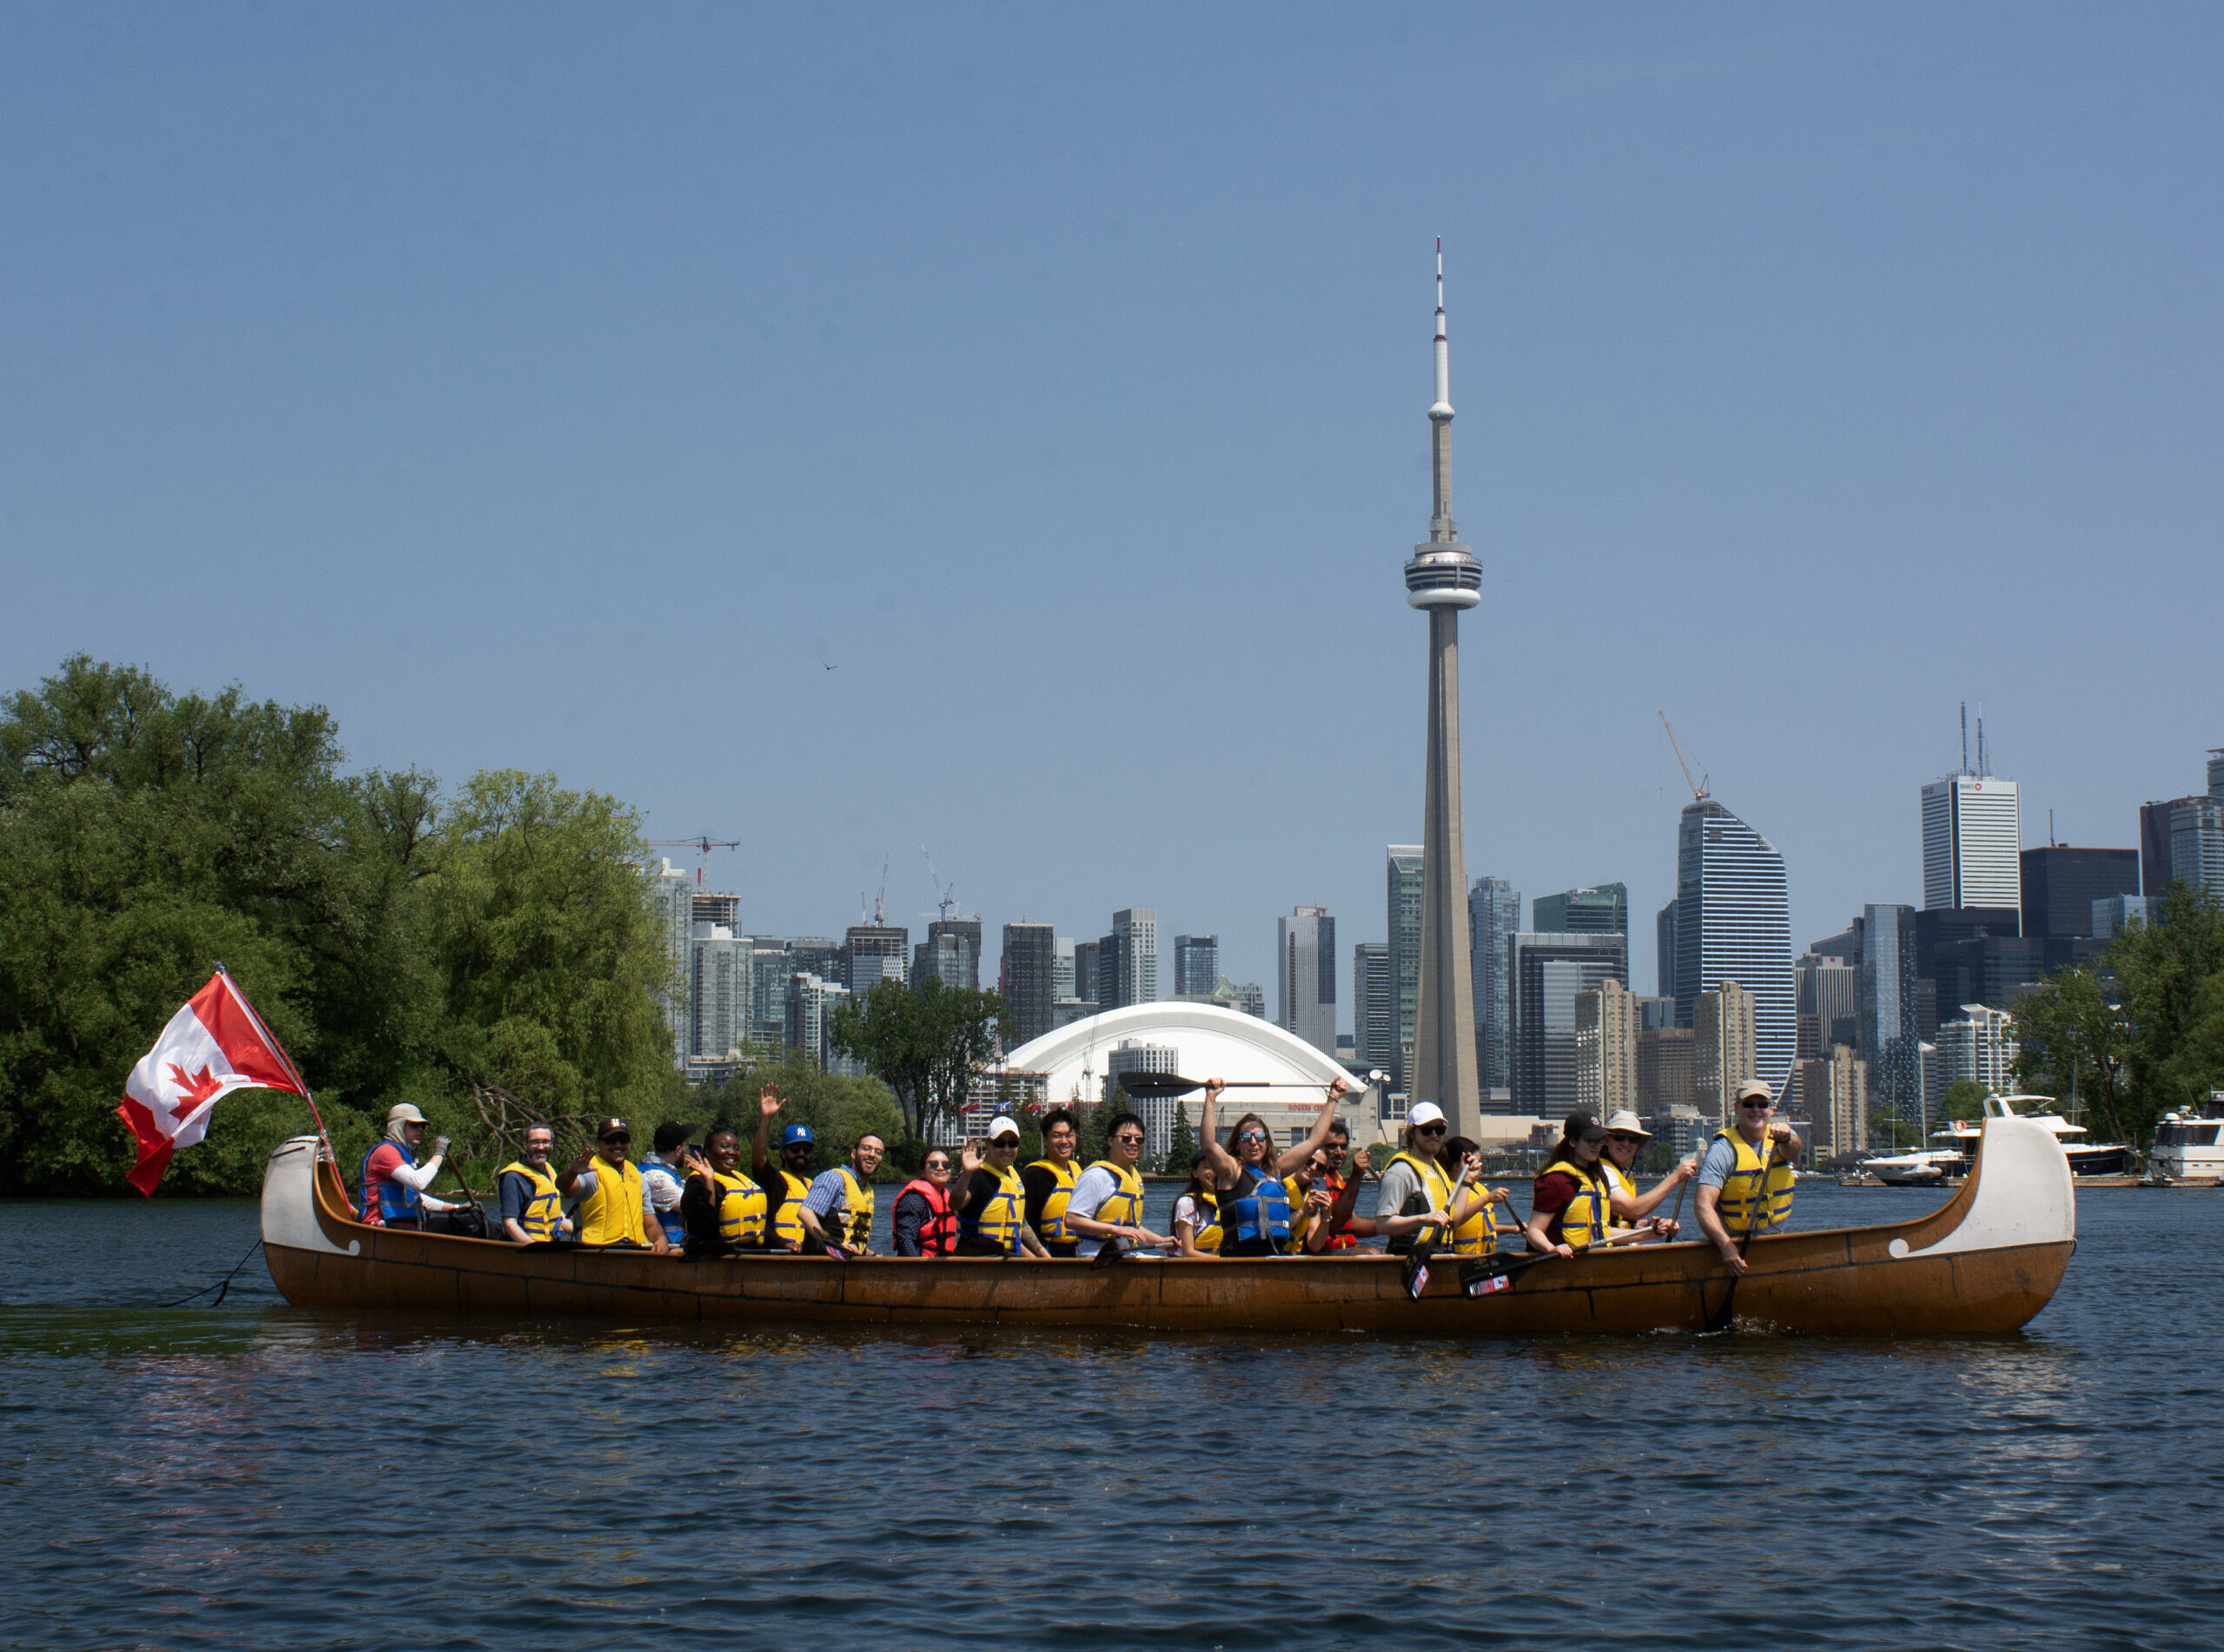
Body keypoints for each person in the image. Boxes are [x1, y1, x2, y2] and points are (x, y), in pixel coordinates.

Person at [1197, 1074, 1349, 1256]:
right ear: (1237, 1145)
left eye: (1259, 1137)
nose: (1253, 1142)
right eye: (1246, 1138)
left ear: (1267, 1142)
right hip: (1240, 1260)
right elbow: (1208, 1146)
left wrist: (1333, 1098)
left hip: (1274, 1257)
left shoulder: (1275, 1170)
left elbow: (1314, 1141)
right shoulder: (1231, 1171)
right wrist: (1211, 1098)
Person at [1524, 1113, 1673, 1258]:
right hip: (1564, 1264)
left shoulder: (1597, 1179)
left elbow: (1603, 1232)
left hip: (1597, 1260)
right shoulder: (1556, 1181)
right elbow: (1534, 1230)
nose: (1596, 1146)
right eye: (1590, 1140)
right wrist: (1551, 1248)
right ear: (1573, 1141)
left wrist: (1649, 1233)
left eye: (1600, 1141)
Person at [1696, 1079, 1803, 1276]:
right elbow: (1703, 1205)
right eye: (1749, 1104)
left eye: (1762, 1104)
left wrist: (1787, 1137)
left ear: (1771, 1109)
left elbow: (1793, 1149)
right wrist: (1725, 1245)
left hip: (1774, 1242)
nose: (1756, 1110)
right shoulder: (1722, 1150)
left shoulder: (1782, 1136)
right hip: (1735, 1246)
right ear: (1737, 1108)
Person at [1062, 1110, 1170, 1259]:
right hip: (1095, 1255)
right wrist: (1116, 1230)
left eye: (1138, 1140)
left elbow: (1130, 1229)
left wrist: (1161, 1241)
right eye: (1126, 1138)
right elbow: (1072, 1220)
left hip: (1123, 1254)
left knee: (1167, 1261)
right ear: (1111, 1141)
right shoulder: (1096, 1176)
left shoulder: (1132, 1177)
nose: (1133, 1143)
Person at [559, 1118, 669, 1252]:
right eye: (611, 1140)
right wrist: (571, 1172)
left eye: (623, 1140)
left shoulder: (637, 1177)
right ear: (599, 1144)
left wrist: (660, 1238)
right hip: (596, 1252)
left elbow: (651, 1224)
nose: (618, 1145)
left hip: (633, 1251)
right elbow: (566, 1188)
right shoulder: (590, 1172)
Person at [950, 1116, 1051, 1257]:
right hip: (978, 1259)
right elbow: (955, 1204)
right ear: (988, 1145)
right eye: (1000, 1143)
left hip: (1005, 1256)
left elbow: (1021, 1226)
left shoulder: (1012, 1176)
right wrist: (967, 1173)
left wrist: (1045, 1259)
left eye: (1013, 1143)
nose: (1007, 1149)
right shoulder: (977, 1175)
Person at [358, 1103, 467, 1231]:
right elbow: (419, 1182)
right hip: (383, 1228)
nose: (420, 1129)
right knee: (465, 1228)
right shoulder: (385, 1152)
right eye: (414, 1125)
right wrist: (439, 1153)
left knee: (469, 1223)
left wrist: (456, 1208)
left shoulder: (403, 1156)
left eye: (422, 1126)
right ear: (398, 1126)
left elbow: (415, 1197)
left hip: (408, 1227)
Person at [1369, 1101, 1457, 1254]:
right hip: (1408, 1259)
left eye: (1439, 1130)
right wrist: (1424, 1219)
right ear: (1411, 1133)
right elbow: (1382, 1225)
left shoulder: (1438, 1170)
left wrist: (1467, 1182)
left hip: (1439, 1255)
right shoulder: (1400, 1172)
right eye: (1426, 1130)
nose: (1434, 1135)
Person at [1600, 1110, 1693, 1239]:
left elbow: (1622, 1221)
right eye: (1619, 1136)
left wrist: (1650, 1225)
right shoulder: (1603, 1171)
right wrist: (1675, 1177)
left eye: (1633, 1139)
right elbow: (1633, 1211)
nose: (1626, 1143)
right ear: (1606, 1139)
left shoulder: (1625, 1174)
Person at [676, 1122, 767, 1253]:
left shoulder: (742, 1180)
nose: (732, 1152)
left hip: (744, 1255)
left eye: (736, 1148)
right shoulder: (697, 1182)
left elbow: (758, 1222)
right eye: (725, 1147)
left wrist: (783, 1242)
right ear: (707, 1151)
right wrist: (708, 1181)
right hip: (709, 1257)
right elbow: (703, 1224)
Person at [751, 1086, 817, 1252]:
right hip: (780, 1255)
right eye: (795, 1149)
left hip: (807, 1258)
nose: (801, 1154)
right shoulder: (776, 1181)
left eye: (806, 1150)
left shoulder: (813, 1185)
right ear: (783, 1154)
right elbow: (758, 1160)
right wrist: (766, 1119)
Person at [798, 1132, 886, 1257]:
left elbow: (854, 1243)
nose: (872, 1155)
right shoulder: (834, 1179)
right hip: (821, 1264)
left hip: (848, 1267)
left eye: (878, 1152)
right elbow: (805, 1212)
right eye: (866, 1149)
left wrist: (873, 1256)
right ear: (853, 1154)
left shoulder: (867, 1191)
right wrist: (830, 1242)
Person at [1021, 1107, 1082, 1257]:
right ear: (1045, 1140)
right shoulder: (1034, 1176)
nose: (1064, 1141)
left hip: (1078, 1252)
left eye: (1069, 1136)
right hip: (1046, 1254)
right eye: (1057, 1136)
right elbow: (1021, 1224)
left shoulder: (1078, 1172)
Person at [1440, 1135, 1514, 1257]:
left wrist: (1513, 1230)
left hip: (1485, 1259)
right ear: (1458, 1165)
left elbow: (1477, 1225)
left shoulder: (1480, 1188)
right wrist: (1487, 1199)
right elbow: (1455, 1220)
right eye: (1475, 1163)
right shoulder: (1448, 1190)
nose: (1479, 1167)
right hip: (1460, 1259)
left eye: (1479, 1163)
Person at [496, 1123, 569, 1243]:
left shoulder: (549, 1170)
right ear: (525, 1145)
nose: (541, 1147)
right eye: (535, 1142)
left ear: (551, 1144)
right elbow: (509, 1224)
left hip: (551, 1248)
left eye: (545, 1142)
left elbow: (556, 1215)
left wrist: (581, 1231)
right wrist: (535, 1249)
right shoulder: (513, 1177)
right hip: (526, 1251)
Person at [1305, 1120, 1369, 1252]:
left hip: (1342, 1247)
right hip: (1322, 1253)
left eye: (1343, 1147)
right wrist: (1356, 1175)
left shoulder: (1337, 1179)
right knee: (1371, 1254)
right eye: (1332, 1146)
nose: (1339, 1152)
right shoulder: (1313, 1178)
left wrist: (1389, 1225)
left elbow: (1353, 1222)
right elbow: (1336, 1223)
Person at [892, 1147, 958, 1257]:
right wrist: (920, 1270)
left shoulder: (948, 1199)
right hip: (918, 1269)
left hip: (942, 1268)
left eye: (946, 1165)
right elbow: (905, 1240)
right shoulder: (913, 1200)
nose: (941, 1168)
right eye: (933, 1165)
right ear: (922, 1172)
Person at [639, 1121, 697, 1248]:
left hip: (671, 1247)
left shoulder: (661, 1172)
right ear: (678, 1150)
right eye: (686, 1146)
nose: (687, 1151)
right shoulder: (657, 1178)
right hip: (665, 1251)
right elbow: (695, 1207)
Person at [1170, 1153, 1221, 1258]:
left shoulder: (1226, 1201)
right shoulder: (1187, 1203)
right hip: (1193, 1268)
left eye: (1217, 1166)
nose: (1213, 1172)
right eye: (1207, 1167)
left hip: (1219, 1266)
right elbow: (1188, 1252)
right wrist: (1223, 1261)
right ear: (1195, 1173)